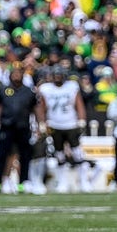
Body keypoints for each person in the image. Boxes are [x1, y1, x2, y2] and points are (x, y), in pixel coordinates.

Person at [36, 65, 91, 193]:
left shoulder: (72, 87)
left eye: (60, 75)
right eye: (56, 75)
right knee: (59, 154)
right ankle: (62, 182)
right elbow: (41, 107)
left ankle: (84, 181)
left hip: (71, 123)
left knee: (78, 153)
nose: (58, 78)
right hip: (55, 124)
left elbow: (79, 103)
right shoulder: (46, 89)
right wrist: (42, 123)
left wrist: (82, 120)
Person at [0, 66, 37, 194]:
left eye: (19, 73)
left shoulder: (29, 91)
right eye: (14, 73)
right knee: (2, 155)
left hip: (23, 127)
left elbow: (35, 108)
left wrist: (39, 125)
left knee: (25, 155)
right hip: (7, 126)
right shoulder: (3, 90)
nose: (16, 76)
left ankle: (23, 182)